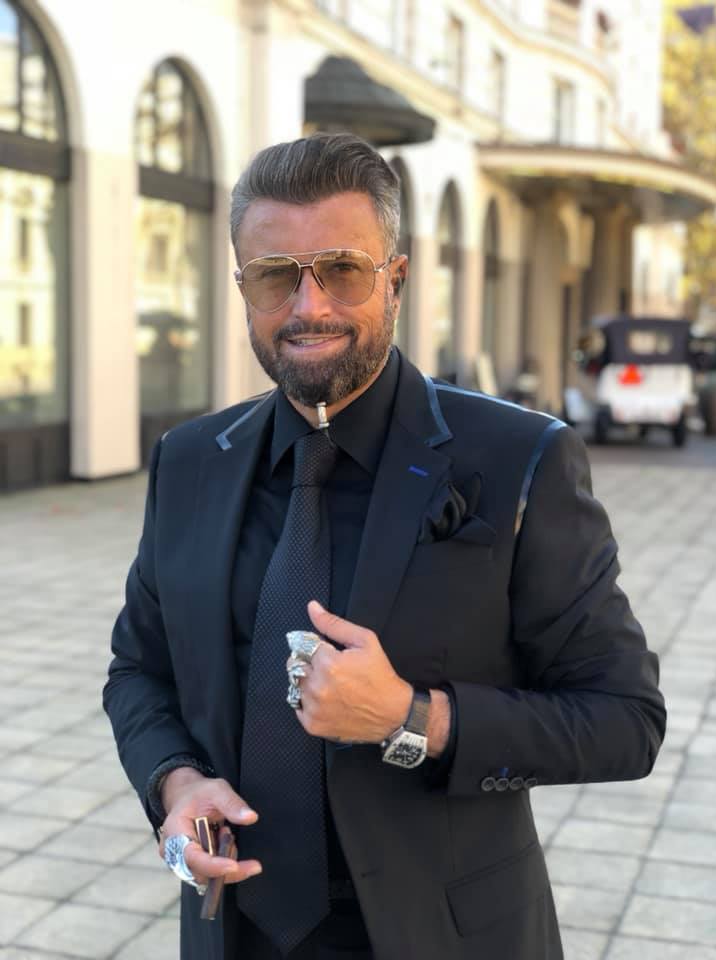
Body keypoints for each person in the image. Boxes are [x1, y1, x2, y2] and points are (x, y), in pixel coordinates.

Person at [104, 132, 665, 960]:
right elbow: (138, 671)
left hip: (447, 937)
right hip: (235, 933)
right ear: (243, 287)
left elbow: (626, 719)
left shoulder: (520, 459)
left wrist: (414, 718)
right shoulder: (189, 462)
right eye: (275, 276)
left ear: (395, 280)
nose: (308, 306)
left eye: (342, 269)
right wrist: (175, 783)